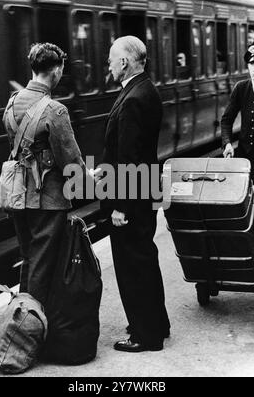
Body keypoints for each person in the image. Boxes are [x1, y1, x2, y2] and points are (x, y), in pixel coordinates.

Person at [3, 43, 86, 306]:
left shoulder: (12, 102)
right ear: (57, 70)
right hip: (47, 200)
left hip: (17, 196)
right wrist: (87, 180)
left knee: (29, 258)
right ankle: (35, 328)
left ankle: (20, 320)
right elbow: (70, 161)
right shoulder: (55, 110)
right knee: (44, 264)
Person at [101, 36, 171, 353]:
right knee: (145, 258)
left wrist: (120, 207)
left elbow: (128, 159)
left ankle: (145, 336)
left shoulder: (132, 99)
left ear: (125, 62)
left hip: (133, 196)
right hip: (146, 190)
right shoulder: (146, 89)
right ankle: (157, 324)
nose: (109, 64)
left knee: (133, 265)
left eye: (112, 59)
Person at [222, 43, 254, 185]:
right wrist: (227, 143)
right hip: (246, 152)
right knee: (244, 194)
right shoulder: (241, 88)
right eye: (251, 63)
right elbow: (226, 120)